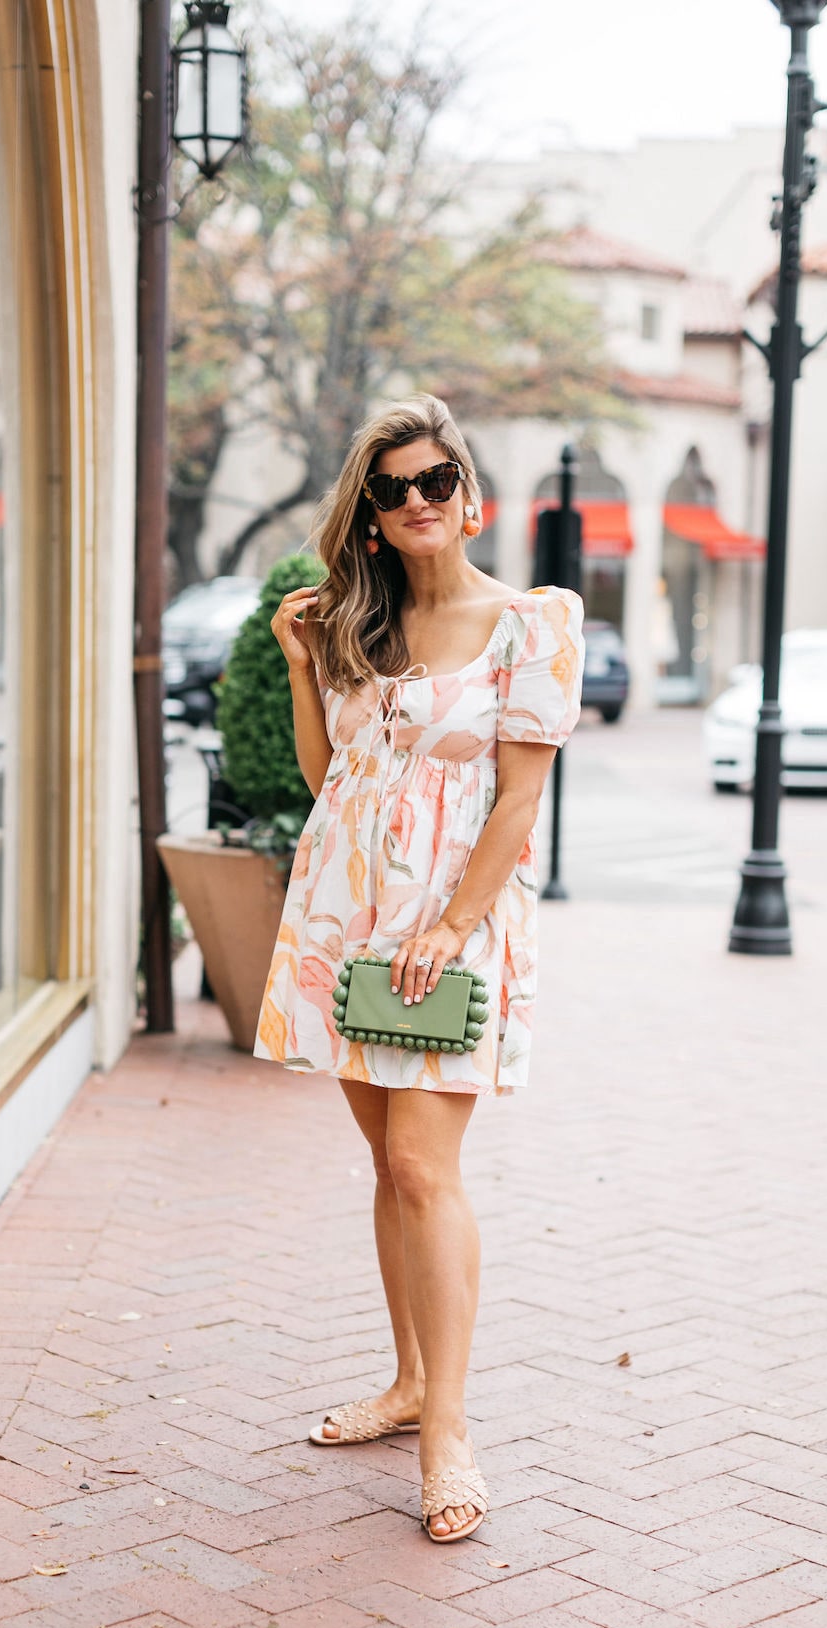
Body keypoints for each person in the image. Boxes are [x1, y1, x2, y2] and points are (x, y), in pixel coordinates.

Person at [256, 395, 584, 1542]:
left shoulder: (531, 625)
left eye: (432, 480)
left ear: (469, 494)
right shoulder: (362, 627)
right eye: (389, 490)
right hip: (345, 914)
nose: (413, 502)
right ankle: (404, 1384)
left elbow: (521, 796)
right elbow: (330, 779)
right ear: (371, 518)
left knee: (422, 1164)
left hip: (450, 923)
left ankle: (448, 1428)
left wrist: (452, 924)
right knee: (388, 1169)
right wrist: (304, 663)